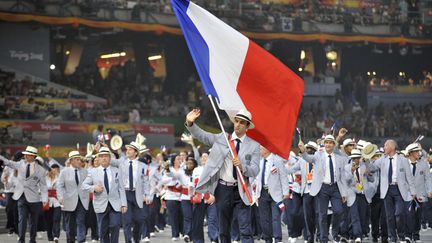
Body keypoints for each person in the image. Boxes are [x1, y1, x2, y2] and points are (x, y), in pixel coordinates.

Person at [185, 108, 260, 243]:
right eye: (236, 121)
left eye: (242, 122)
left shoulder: (253, 146)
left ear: (247, 126)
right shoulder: (223, 138)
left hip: (242, 190)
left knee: (245, 230)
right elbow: (203, 135)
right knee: (224, 231)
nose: (237, 124)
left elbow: (255, 170)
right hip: (223, 189)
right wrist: (190, 124)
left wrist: (243, 166)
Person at [298, 135, 348, 243]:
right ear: (324, 144)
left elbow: (342, 177)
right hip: (322, 188)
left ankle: (334, 233)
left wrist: (344, 193)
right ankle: (323, 239)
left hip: (335, 187)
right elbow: (307, 158)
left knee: (339, 211)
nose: (328, 145)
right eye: (326, 143)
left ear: (334, 145)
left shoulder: (339, 158)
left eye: (330, 143)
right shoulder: (318, 155)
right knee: (322, 215)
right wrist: (302, 150)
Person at [368, 140, 416, 243]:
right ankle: (392, 237)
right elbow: (372, 168)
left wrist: (413, 191)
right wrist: (366, 159)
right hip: (387, 190)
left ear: (392, 147)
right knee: (389, 216)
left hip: (399, 189)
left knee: (399, 214)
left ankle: (401, 235)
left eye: (385, 145)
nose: (384, 147)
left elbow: (409, 176)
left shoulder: (403, 160)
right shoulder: (382, 159)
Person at [0, 146, 48, 243]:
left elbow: (43, 186)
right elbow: (8, 162)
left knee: (33, 222)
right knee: (22, 219)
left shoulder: (41, 170)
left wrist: (44, 199)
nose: (25, 156)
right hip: (21, 197)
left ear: (33, 156)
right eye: (25, 154)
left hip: (34, 199)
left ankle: (32, 240)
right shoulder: (20, 164)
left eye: (27, 154)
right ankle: (21, 240)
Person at [82, 147, 128, 243]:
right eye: (101, 156)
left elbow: (121, 188)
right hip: (100, 204)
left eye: (106, 156)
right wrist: (94, 188)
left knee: (115, 225)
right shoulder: (93, 171)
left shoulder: (116, 171)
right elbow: (84, 185)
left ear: (110, 158)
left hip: (115, 204)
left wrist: (124, 204)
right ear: (98, 158)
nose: (104, 158)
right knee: (103, 231)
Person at [111, 141, 151, 243]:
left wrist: (147, 195)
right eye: (127, 149)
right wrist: (102, 150)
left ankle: (136, 238)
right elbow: (110, 161)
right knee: (127, 220)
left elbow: (146, 182)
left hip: (138, 194)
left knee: (139, 220)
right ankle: (128, 240)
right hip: (125, 194)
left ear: (136, 152)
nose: (128, 151)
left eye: (130, 149)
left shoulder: (143, 166)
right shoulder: (122, 162)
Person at [254, 146, 289, 243]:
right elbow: (256, 179)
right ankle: (267, 239)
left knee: (275, 218)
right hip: (262, 193)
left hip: (275, 193)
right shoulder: (260, 161)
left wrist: (286, 192)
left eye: (261, 148)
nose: (259, 150)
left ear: (267, 149)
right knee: (264, 219)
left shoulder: (277, 160)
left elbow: (283, 176)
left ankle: (277, 239)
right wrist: (256, 193)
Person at [57, 151, 89, 243]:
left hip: (82, 201)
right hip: (68, 201)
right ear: (71, 161)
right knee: (70, 225)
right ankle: (70, 241)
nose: (79, 161)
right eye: (77, 159)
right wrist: (61, 197)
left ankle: (81, 240)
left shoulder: (84, 171)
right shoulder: (64, 172)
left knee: (81, 222)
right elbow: (60, 186)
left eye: (80, 159)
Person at [404, 143, 432, 242]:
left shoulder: (424, 164)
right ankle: (408, 235)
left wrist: (429, 190)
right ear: (411, 153)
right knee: (408, 214)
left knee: (418, 215)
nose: (419, 153)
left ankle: (416, 235)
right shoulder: (404, 163)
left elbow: (428, 179)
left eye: (419, 151)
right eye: (416, 151)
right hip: (407, 194)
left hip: (420, 193)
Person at [44, 164, 62, 243]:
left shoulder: (59, 179)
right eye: (53, 169)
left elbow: (61, 190)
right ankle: (50, 237)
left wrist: (61, 198)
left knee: (56, 218)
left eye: (56, 169)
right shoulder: (45, 178)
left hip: (57, 201)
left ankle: (56, 236)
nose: (54, 171)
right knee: (49, 220)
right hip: (47, 202)